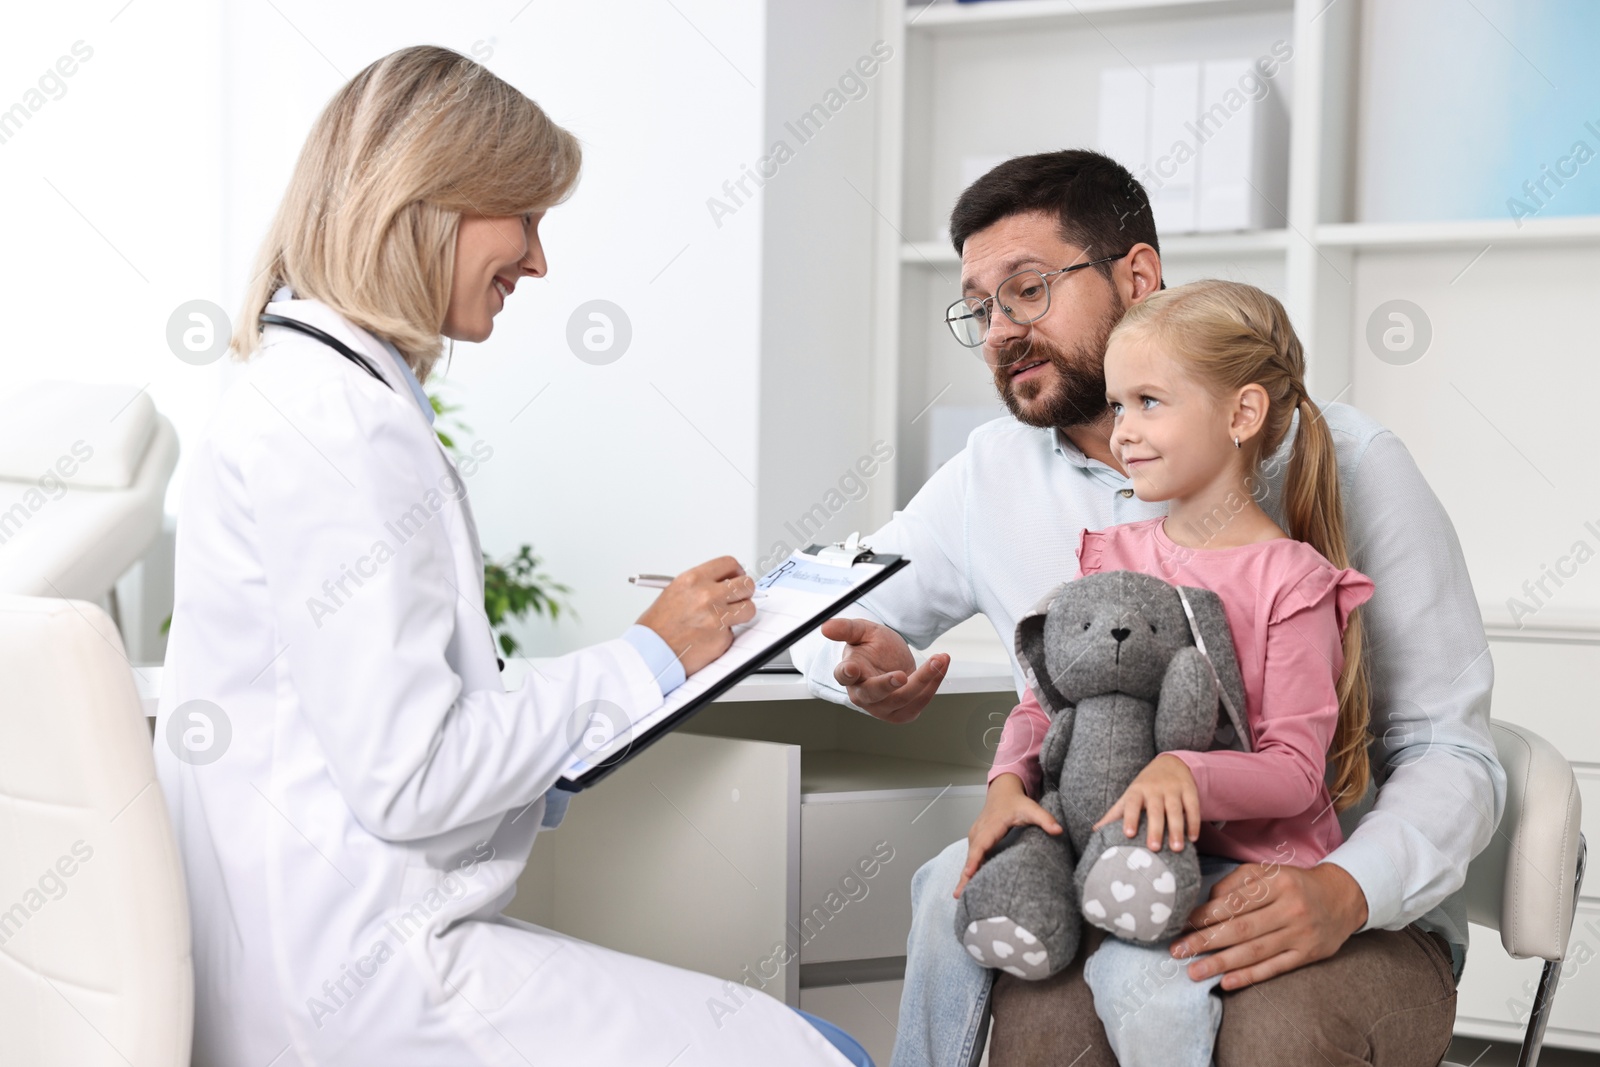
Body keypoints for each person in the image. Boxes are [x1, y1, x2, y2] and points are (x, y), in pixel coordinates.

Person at [153, 46, 867, 1067]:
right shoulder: (343, 425)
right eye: (525, 219)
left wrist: (612, 712)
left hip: (331, 951)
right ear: (428, 202)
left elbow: (374, 741)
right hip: (364, 978)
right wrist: (645, 658)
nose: (538, 261)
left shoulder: (304, 391)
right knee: (826, 1051)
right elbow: (411, 776)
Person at [788, 150, 1504, 1067]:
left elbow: (1451, 748)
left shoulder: (1353, 463)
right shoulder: (991, 476)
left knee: (1273, 1031)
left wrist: (1346, 888)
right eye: (981, 306)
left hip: (1333, 893)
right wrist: (858, 666)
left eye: (1030, 289)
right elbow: (833, 612)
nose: (1002, 329)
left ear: (1137, 275)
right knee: (1044, 1022)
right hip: (1107, 878)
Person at [957, 279, 1375, 1067]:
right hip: (1106, 845)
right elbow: (1047, 700)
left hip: (1242, 865)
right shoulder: (1114, 554)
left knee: (1133, 983)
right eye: (1118, 406)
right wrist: (1007, 781)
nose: (1123, 432)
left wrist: (1185, 770)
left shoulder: (1292, 579)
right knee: (946, 907)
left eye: (1150, 401)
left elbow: (1294, 775)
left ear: (1242, 414)